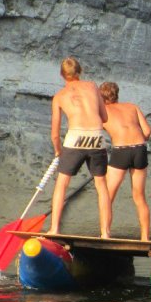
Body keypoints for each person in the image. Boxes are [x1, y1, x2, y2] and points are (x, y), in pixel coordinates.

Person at [48, 57, 111, 237]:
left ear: (62, 75)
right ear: (80, 71)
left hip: (75, 138)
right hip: (96, 136)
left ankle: (54, 229)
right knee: (101, 185)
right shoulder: (92, 86)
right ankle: (105, 232)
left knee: (62, 184)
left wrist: (58, 150)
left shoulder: (59, 97)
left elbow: (54, 133)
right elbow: (104, 117)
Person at [99, 82, 151, 241]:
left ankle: (105, 234)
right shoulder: (132, 106)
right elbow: (147, 131)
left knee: (107, 195)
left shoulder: (103, 112)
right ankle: (145, 237)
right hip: (139, 148)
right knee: (139, 196)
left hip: (121, 150)